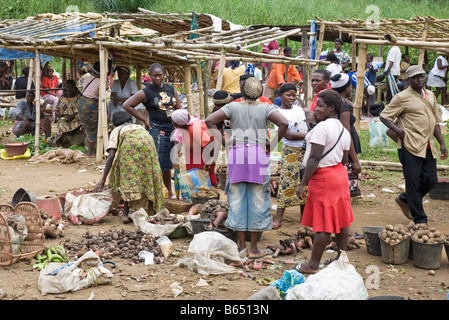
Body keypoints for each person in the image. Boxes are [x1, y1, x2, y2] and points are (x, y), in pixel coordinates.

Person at [205, 76, 288, 259]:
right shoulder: (266, 107)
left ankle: (241, 246)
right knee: (258, 200)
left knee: (237, 200)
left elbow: (210, 121)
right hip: (258, 156)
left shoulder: (232, 106)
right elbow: (284, 124)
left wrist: (224, 141)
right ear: (260, 92)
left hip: (237, 155)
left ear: (242, 91)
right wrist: (272, 144)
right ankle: (254, 248)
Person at [380, 65, 448, 224]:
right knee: (413, 182)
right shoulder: (401, 97)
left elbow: (436, 121)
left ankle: (405, 199)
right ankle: (420, 219)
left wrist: (442, 143)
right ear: (408, 80)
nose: (420, 79)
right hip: (410, 145)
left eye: (422, 76)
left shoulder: (430, 95)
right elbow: (384, 116)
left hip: (428, 145)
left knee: (431, 180)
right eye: (415, 77)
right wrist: (399, 131)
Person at [296, 89, 353, 274]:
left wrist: (303, 183)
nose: (316, 109)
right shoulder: (343, 130)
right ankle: (340, 258)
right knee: (342, 220)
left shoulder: (321, 128)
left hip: (324, 178)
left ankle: (313, 264)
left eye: (320, 106)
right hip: (339, 175)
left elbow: (314, 158)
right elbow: (345, 159)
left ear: (331, 107)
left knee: (323, 224)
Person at [122, 62, 181, 199]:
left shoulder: (170, 89)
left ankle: (169, 192)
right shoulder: (146, 91)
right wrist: (144, 119)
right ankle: (156, 192)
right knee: (157, 163)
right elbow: (127, 105)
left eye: (160, 75)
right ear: (150, 76)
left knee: (168, 163)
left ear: (163, 75)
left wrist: (181, 124)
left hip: (171, 129)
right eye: (154, 76)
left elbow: (178, 108)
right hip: (156, 129)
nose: (157, 78)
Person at [94, 111, 165, 224]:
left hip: (130, 147)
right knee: (146, 177)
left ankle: (126, 213)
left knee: (127, 178)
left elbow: (111, 155)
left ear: (115, 123)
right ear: (129, 120)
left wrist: (103, 178)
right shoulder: (140, 127)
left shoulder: (117, 130)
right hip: (148, 146)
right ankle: (150, 210)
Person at [273, 83, 311, 229]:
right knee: (286, 182)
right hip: (290, 151)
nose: (292, 98)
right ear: (280, 95)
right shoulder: (277, 113)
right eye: (288, 95)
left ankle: (304, 216)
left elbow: (305, 124)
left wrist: (307, 135)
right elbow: (287, 134)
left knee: (304, 181)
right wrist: (308, 135)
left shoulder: (298, 109)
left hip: (305, 150)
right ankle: (278, 218)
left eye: (294, 95)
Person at [330, 73, 362, 197]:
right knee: (344, 192)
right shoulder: (342, 105)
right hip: (346, 151)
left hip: (337, 148)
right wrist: (355, 160)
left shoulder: (334, 100)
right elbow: (346, 134)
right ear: (346, 88)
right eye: (350, 86)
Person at [171, 109, 218, 186]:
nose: (172, 122)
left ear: (178, 124)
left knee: (206, 173)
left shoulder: (195, 129)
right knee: (192, 174)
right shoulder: (183, 122)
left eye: (173, 121)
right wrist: (175, 154)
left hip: (206, 150)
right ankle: (195, 193)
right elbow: (177, 138)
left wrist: (209, 161)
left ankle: (212, 193)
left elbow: (209, 145)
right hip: (192, 147)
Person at [47, 80, 84, 148]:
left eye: (71, 87)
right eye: (67, 87)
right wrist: (57, 113)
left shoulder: (78, 97)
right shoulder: (62, 97)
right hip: (64, 117)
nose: (69, 89)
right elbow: (57, 108)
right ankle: (58, 142)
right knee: (62, 123)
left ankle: (58, 142)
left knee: (63, 125)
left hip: (75, 117)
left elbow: (81, 109)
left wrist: (72, 116)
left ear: (74, 87)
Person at [76, 62, 101, 157]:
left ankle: (86, 143)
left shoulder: (87, 79)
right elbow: (101, 95)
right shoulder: (100, 81)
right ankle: (90, 152)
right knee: (92, 128)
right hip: (90, 105)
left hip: (81, 103)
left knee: (86, 124)